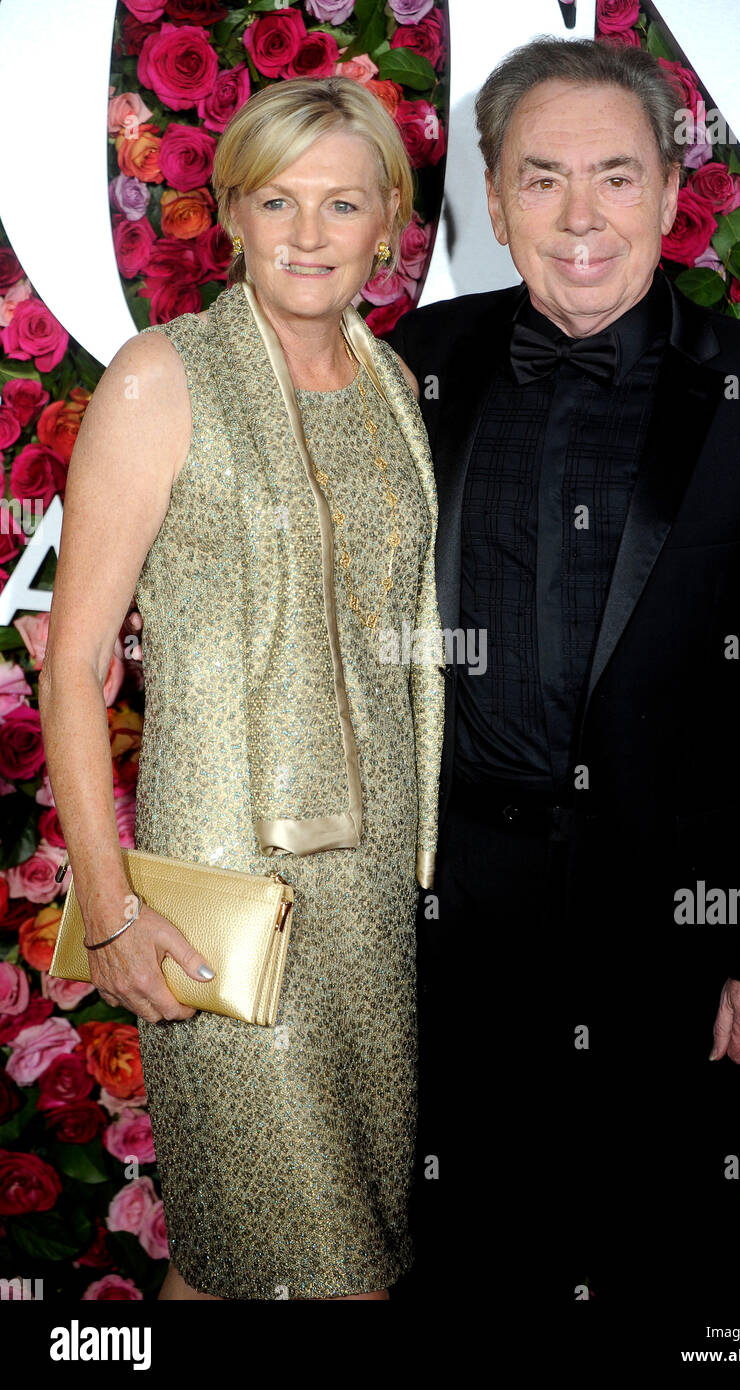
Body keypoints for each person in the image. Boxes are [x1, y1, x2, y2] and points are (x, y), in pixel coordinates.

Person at [385, 38, 740, 1304]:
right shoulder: (414, 364)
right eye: (540, 178)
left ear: (668, 189)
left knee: (656, 1253)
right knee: (460, 1249)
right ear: (491, 201)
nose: (579, 215)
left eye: (612, 173)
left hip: (671, 918)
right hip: (448, 903)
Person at [38, 76, 443, 1302]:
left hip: (368, 901)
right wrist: (107, 910)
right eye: (278, 200)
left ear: (388, 224)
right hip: (218, 883)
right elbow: (70, 662)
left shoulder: (391, 392)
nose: (308, 235)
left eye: (341, 204)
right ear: (231, 215)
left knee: (263, 1259)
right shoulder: (164, 377)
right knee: (305, 1259)